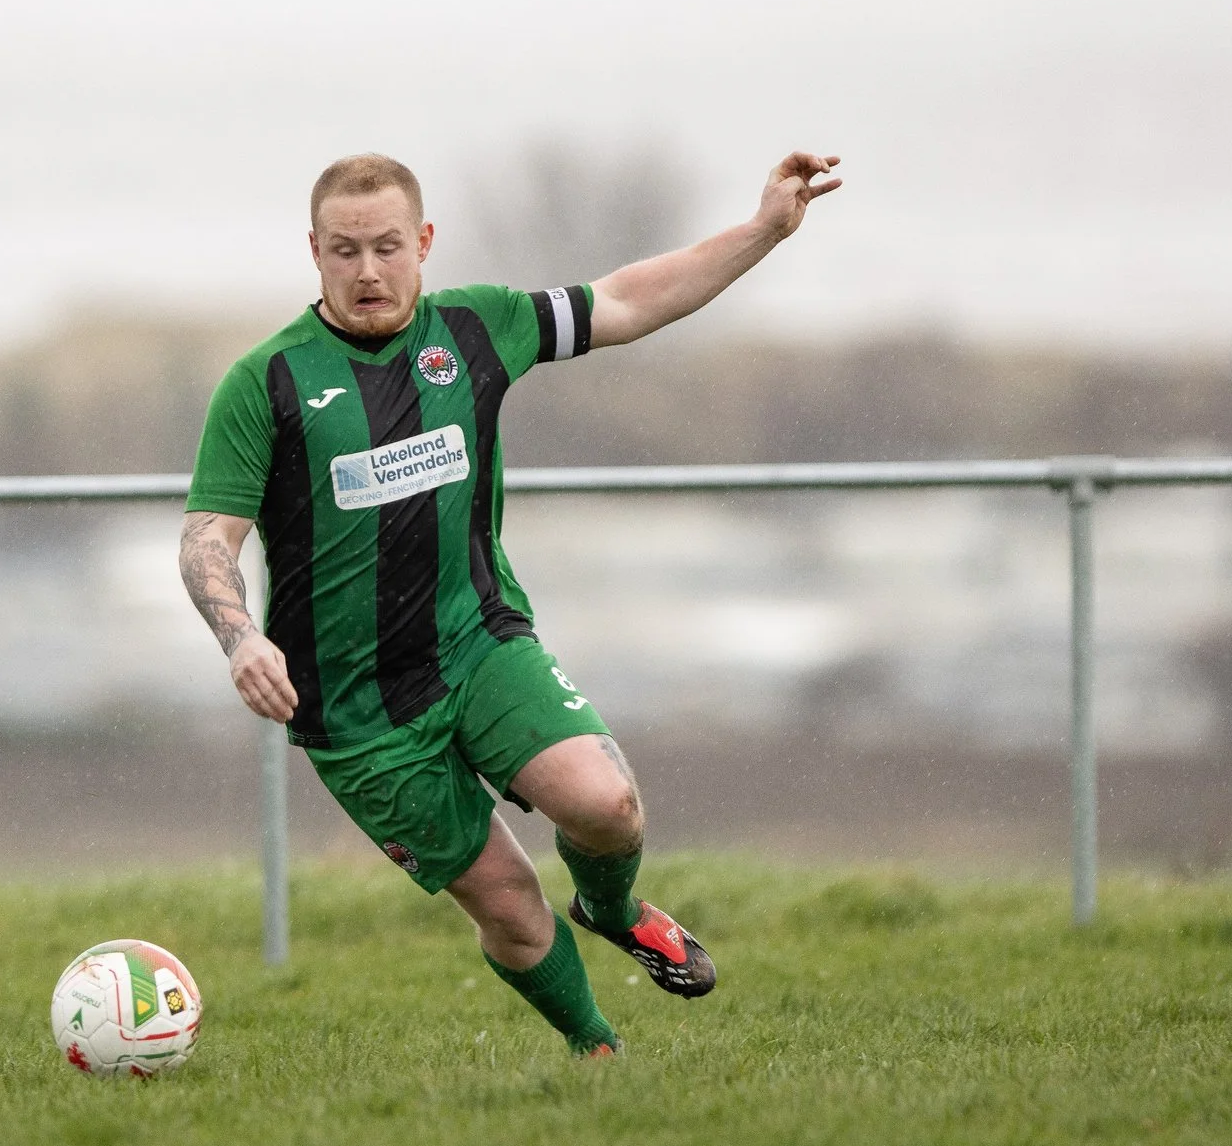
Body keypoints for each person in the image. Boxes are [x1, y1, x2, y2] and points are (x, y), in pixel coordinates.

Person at [179, 150, 841, 1054]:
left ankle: (613, 908)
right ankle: (600, 1056)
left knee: (609, 809)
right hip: (357, 713)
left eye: (385, 247)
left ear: (424, 242)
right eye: (344, 251)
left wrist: (763, 230)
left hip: (479, 644)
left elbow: (632, 299)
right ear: (314, 252)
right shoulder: (266, 382)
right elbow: (206, 538)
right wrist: (239, 637)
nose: (367, 270)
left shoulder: (478, 328)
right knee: (512, 909)